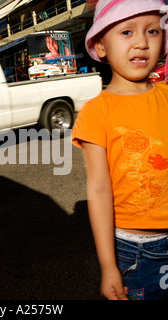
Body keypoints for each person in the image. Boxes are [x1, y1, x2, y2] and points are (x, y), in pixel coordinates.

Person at [72, 0, 168, 300]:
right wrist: (108, 266)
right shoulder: (96, 112)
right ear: (101, 47)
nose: (141, 42)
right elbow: (99, 189)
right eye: (126, 32)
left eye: (152, 30)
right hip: (135, 250)